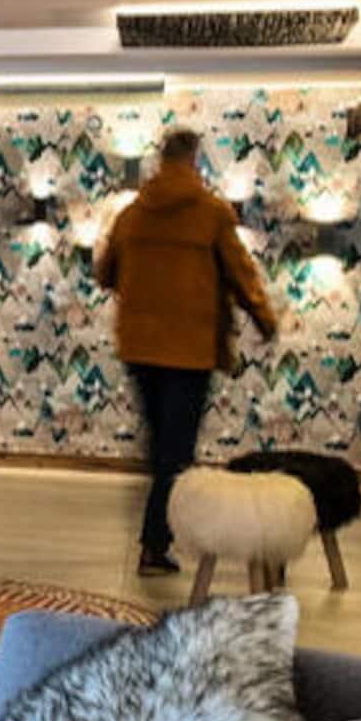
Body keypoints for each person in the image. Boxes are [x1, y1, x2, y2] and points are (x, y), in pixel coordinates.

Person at [97, 128, 277, 576]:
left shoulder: (133, 214)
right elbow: (241, 273)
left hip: (139, 346)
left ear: (161, 161)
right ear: (194, 160)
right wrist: (264, 319)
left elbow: (105, 272)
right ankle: (154, 545)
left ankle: (157, 540)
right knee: (176, 454)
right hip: (190, 349)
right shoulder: (211, 213)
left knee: (163, 448)